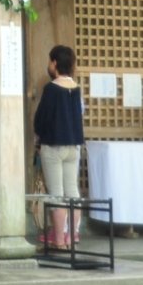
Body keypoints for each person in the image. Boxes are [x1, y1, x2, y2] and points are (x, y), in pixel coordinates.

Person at [32, 43, 85, 250]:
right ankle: (71, 237)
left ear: (54, 63)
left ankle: (59, 240)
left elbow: (42, 120)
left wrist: (38, 136)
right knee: (72, 192)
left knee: (56, 193)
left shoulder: (52, 89)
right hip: (74, 145)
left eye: (50, 61)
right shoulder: (76, 88)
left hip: (53, 145)